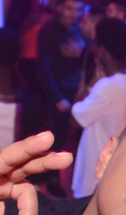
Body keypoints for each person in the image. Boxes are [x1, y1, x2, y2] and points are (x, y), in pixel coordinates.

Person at [70, 18, 126, 198]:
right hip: (112, 164)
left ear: (101, 50)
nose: (92, 48)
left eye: (95, 43)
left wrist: (90, 84)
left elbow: (74, 120)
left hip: (96, 168)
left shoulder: (106, 86)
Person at [36, 0, 86, 196]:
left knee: (77, 138)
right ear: (60, 8)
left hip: (77, 92)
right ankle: (52, 179)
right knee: (56, 137)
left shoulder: (80, 29)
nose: (74, 13)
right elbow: (44, 68)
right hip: (59, 92)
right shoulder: (50, 30)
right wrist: (57, 97)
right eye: (69, 8)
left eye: (78, 9)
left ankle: (77, 181)